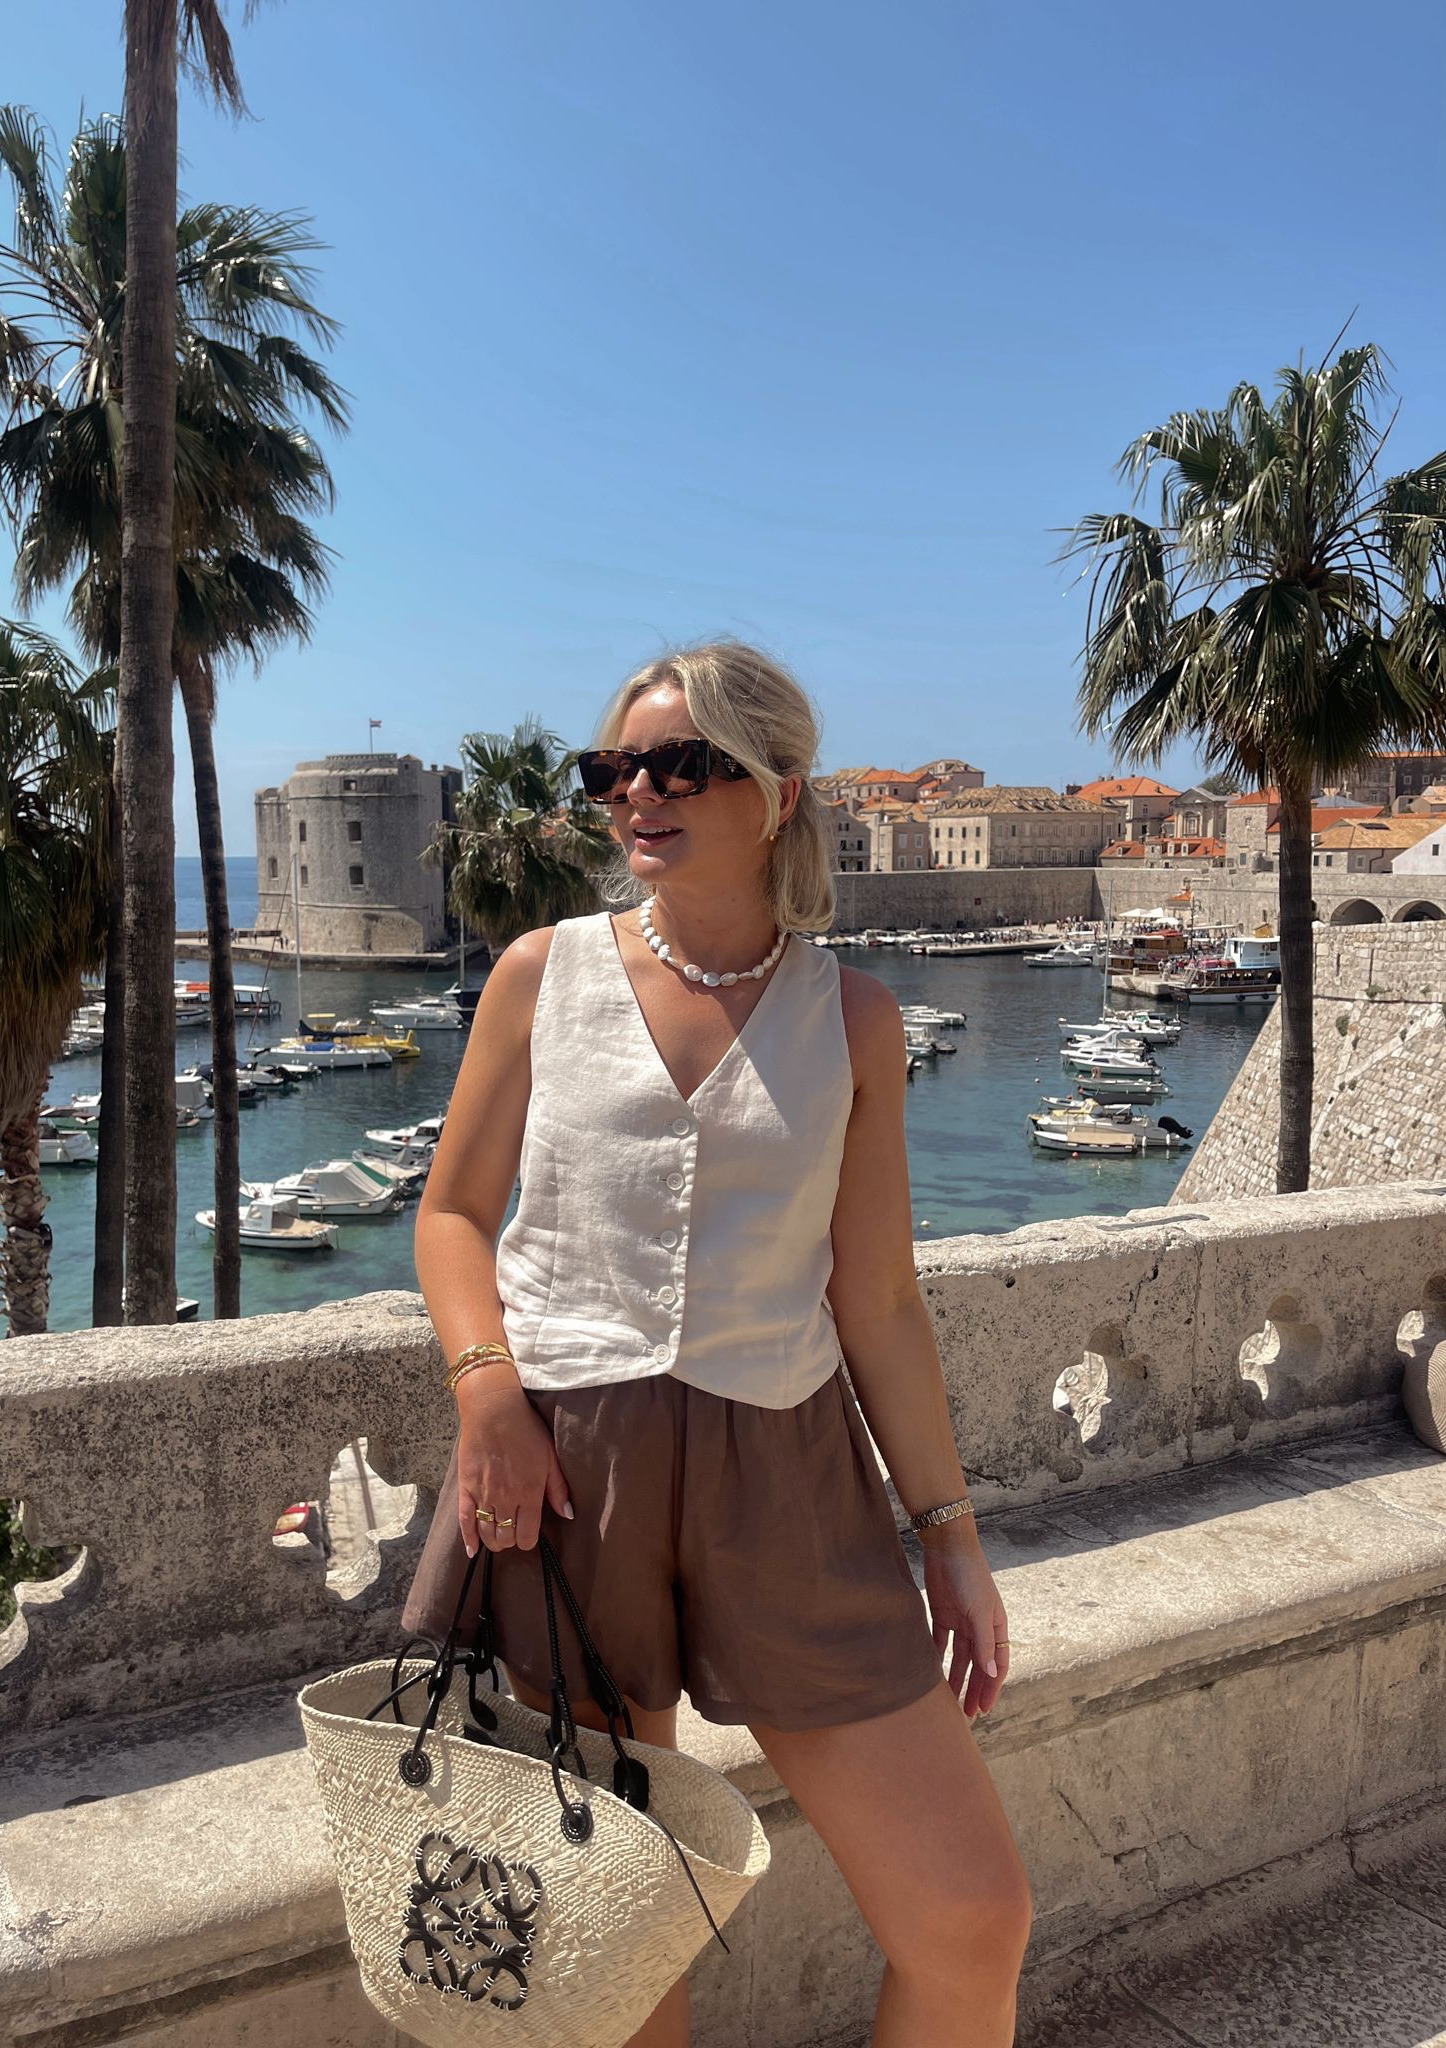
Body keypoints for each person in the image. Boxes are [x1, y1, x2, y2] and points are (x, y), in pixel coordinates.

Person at [402, 642, 1033, 2046]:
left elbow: (876, 1301)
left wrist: (952, 1536)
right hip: (570, 1478)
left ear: (779, 789)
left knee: (972, 1917)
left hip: (790, 1483)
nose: (640, 794)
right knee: (622, 1943)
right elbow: (451, 1215)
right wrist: (485, 1389)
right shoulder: (536, 976)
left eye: (680, 764)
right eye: (614, 770)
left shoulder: (856, 1020)